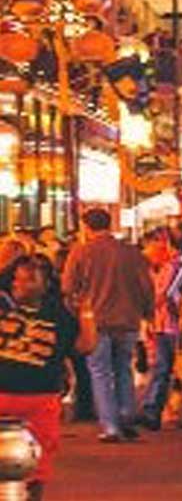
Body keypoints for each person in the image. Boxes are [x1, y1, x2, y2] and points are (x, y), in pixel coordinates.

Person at [0, 254, 96, 500]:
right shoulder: (3, 308)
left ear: (45, 285)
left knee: (38, 464)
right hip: (3, 393)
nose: (19, 286)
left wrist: (86, 314)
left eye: (29, 280)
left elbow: (85, 347)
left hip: (41, 399)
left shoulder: (59, 316)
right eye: (16, 280)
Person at [61, 207, 153, 442]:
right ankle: (125, 414)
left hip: (95, 320)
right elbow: (146, 286)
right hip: (128, 318)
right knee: (123, 367)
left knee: (100, 372)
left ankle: (110, 425)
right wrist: (147, 313)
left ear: (86, 227)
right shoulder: (131, 253)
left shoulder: (81, 253)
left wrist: (76, 313)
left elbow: (68, 288)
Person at [140, 223, 182, 430]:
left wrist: (159, 310)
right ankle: (156, 409)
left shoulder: (179, 265)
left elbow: (169, 293)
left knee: (167, 369)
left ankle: (153, 410)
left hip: (172, 326)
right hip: (170, 324)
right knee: (172, 369)